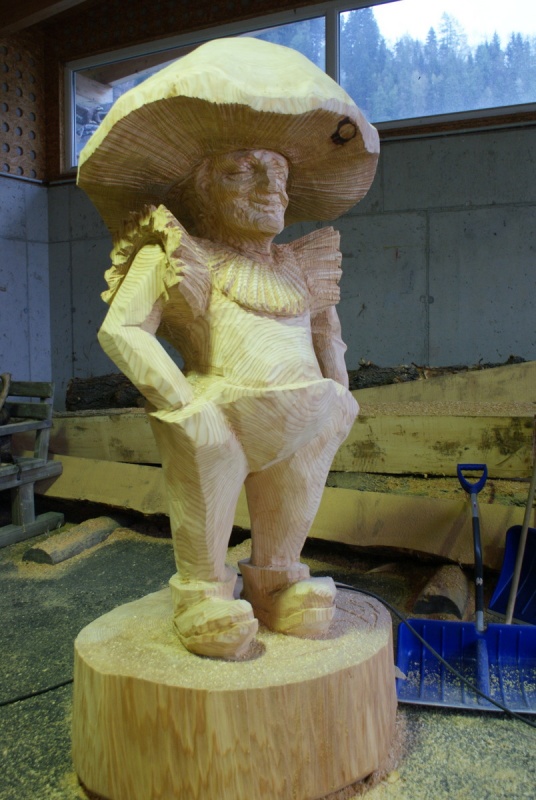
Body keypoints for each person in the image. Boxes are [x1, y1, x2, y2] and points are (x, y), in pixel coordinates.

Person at [78, 37, 379, 658]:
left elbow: (325, 332)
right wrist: (183, 402)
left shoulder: (300, 263)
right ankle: (203, 595)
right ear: (200, 188)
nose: (271, 185)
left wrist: (340, 395)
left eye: (280, 172)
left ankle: (278, 580)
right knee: (207, 456)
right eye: (243, 170)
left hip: (304, 415)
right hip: (221, 414)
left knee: (296, 483)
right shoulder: (178, 251)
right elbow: (121, 330)